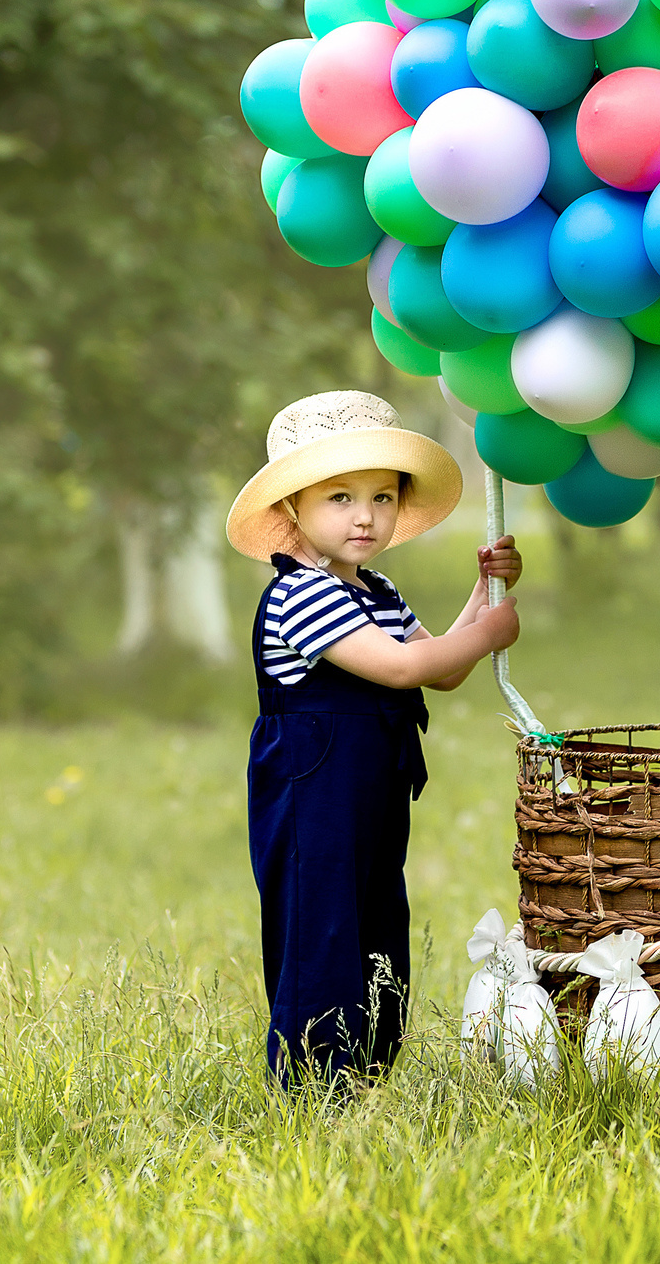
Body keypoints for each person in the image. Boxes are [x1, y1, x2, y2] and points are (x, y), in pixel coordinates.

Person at [224, 390, 522, 1089]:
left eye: (383, 497)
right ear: (293, 507)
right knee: (320, 922)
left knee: (375, 914)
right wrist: (490, 634)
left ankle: (365, 1067)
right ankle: (313, 1078)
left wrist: (484, 595)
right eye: (340, 498)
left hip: (371, 787)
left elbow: (439, 663)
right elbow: (401, 667)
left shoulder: (376, 589)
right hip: (313, 788)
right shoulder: (301, 592)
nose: (366, 515)